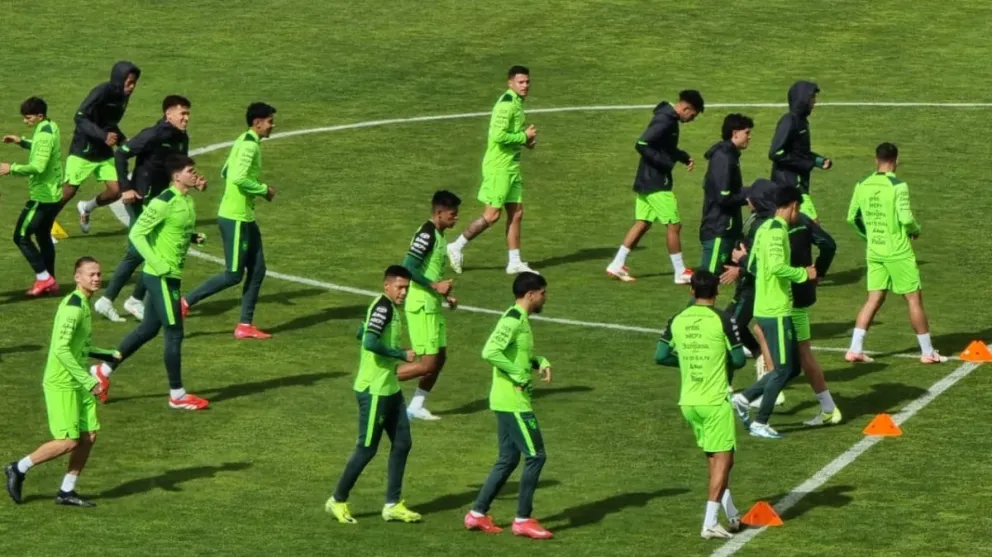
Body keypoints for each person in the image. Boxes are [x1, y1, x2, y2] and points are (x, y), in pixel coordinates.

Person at [88, 155, 209, 410]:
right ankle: (177, 395)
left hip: (170, 275)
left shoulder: (185, 200)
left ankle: (103, 369)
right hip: (162, 276)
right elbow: (137, 233)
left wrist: (192, 237)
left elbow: (173, 230)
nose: (194, 174)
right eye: (190, 171)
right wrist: (158, 262)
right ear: (176, 176)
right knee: (174, 333)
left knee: (148, 329)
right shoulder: (163, 202)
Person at [4, 257, 119, 507]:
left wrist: (106, 353)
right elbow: (61, 351)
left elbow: (81, 346)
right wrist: (89, 382)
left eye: (99, 274)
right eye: (91, 274)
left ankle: (66, 491)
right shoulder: (73, 308)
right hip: (62, 382)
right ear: (77, 277)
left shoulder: (84, 304)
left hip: (76, 380)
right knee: (68, 441)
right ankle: (18, 468)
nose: (97, 278)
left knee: (89, 435)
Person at [325, 265, 428, 525]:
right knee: (367, 448)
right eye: (400, 287)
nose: (404, 292)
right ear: (387, 286)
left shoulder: (386, 308)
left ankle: (392, 505)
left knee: (403, 443)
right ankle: (337, 500)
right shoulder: (383, 307)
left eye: (406, 287)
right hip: (374, 391)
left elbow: (363, 333)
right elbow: (369, 342)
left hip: (390, 389)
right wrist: (400, 354)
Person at [655, 269, 746, 539]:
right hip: (715, 400)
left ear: (691, 291)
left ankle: (730, 512)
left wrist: (684, 363)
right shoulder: (724, 319)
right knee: (725, 459)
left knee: (715, 458)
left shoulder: (677, 319)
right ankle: (709, 522)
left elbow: (661, 356)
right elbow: (739, 359)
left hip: (689, 402)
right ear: (717, 291)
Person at [465, 272, 554, 540]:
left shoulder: (520, 320)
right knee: (536, 456)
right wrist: (517, 373)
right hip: (513, 402)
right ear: (530, 295)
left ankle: (477, 514)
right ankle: (523, 519)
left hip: (507, 400)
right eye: (542, 293)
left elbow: (519, 353)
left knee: (508, 458)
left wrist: (539, 361)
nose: (544, 298)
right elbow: (490, 351)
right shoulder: (513, 320)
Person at [844, 143, 947, 364]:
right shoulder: (898, 186)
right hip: (898, 251)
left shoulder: (862, 184)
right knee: (913, 298)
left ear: (876, 160)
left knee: (874, 298)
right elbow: (906, 219)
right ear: (896, 160)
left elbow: (852, 218)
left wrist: (868, 237)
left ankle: (854, 349)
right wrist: (915, 231)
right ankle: (927, 352)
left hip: (874, 250)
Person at [94, 95, 193, 322]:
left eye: (188, 114)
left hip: (159, 201)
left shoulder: (181, 137)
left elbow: (180, 166)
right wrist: (125, 188)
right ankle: (112, 299)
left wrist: (194, 180)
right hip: (139, 197)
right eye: (182, 114)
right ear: (168, 114)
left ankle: (128, 300)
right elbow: (121, 154)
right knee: (140, 250)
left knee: (151, 248)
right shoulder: (153, 134)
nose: (186, 118)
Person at [182, 103, 277, 339]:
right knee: (234, 274)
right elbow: (236, 177)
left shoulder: (244, 140)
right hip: (235, 218)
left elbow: (225, 171)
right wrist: (264, 190)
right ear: (257, 123)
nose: (272, 125)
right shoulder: (249, 147)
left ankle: (245, 325)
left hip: (245, 217)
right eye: (269, 121)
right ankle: (185, 302)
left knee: (258, 270)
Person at [730, 186, 815, 439]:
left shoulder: (764, 227)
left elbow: (753, 264)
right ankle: (760, 422)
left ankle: (744, 398)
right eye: (797, 210)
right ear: (792, 207)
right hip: (775, 309)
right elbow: (778, 267)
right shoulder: (777, 232)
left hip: (766, 306)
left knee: (793, 367)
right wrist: (804, 274)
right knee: (782, 369)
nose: (797, 215)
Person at [446, 66, 538, 276]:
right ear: (510, 83)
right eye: (521, 82)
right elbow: (498, 135)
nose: (525, 86)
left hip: (511, 166)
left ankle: (514, 261)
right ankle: (456, 246)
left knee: (516, 213)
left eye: (527, 82)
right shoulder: (506, 105)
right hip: (499, 168)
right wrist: (523, 137)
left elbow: (510, 134)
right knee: (492, 215)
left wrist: (525, 142)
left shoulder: (517, 103)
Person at [606, 90, 705, 283]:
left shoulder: (668, 119)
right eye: (692, 115)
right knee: (674, 225)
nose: (691, 119)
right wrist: (665, 163)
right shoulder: (666, 120)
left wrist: (682, 157)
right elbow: (642, 143)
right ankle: (680, 272)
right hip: (657, 182)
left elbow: (664, 147)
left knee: (642, 223)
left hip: (646, 180)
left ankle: (617, 264)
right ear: (686, 108)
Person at [401, 190, 460, 421]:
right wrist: (435, 287)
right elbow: (408, 267)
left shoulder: (440, 234)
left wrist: (445, 295)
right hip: (421, 305)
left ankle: (416, 406)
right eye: (452, 214)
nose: (456, 219)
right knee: (427, 364)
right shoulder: (427, 234)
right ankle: (378, 379)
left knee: (440, 357)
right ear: (439, 213)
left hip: (432, 304)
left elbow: (430, 270)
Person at [66, 61, 141, 233]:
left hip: (103, 150)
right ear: (118, 79)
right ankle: (44, 223)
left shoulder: (122, 97)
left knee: (116, 190)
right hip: (83, 149)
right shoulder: (101, 92)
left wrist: (122, 140)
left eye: (134, 83)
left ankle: (86, 207)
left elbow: (108, 122)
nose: (132, 87)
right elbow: (80, 117)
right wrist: (103, 136)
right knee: (69, 191)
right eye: (129, 82)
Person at [1, 97, 63, 296]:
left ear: (39, 116)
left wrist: (11, 168)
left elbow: (38, 166)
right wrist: (22, 142)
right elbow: (41, 148)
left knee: (20, 236)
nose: (25, 121)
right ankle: (50, 281)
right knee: (43, 235)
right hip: (53, 193)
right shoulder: (50, 126)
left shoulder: (44, 135)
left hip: (42, 196)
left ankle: (44, 278)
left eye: (28, 118)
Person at [787, 211, 842, 425]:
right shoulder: (802, 219)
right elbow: (828, 244)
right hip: (799, 295)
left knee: (800, 352)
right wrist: (817, 272)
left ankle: (755, 397)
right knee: (763, 335)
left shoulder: (771, 225)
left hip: (787, 299)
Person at [768, 81, 831, 221]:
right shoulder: (789, 120)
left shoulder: (801, 122)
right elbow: (775, 153)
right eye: (812, 97)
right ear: (802, 98)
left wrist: (818, 161)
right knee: (813, 225)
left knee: (799, 228)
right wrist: (805, 163)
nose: (815, 101)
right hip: (789, 185)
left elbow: (800, 152)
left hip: (797, 185)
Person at [699, 114, 753, 275]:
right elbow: (723, 197)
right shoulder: (724, 158)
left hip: (727, 228)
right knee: (707, 282)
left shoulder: (729, 155)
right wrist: (748, 196)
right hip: (718, 229)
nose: (749, 137)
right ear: (735, 133)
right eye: (747, 133)